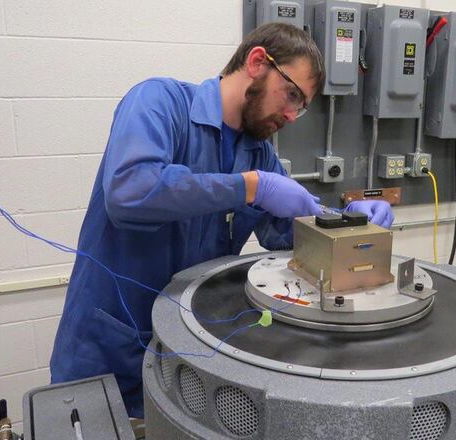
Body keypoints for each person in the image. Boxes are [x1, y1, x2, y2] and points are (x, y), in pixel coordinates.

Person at [49, 22, 394, 418]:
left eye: (301, 106)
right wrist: (248, 187)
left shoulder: (257, 153)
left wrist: (348, 222)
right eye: (292, 95)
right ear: (257, 62)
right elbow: (129, 193)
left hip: (186, 359)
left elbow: (286, 230)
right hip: (109, 354)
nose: (292, 115)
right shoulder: (159, 102)